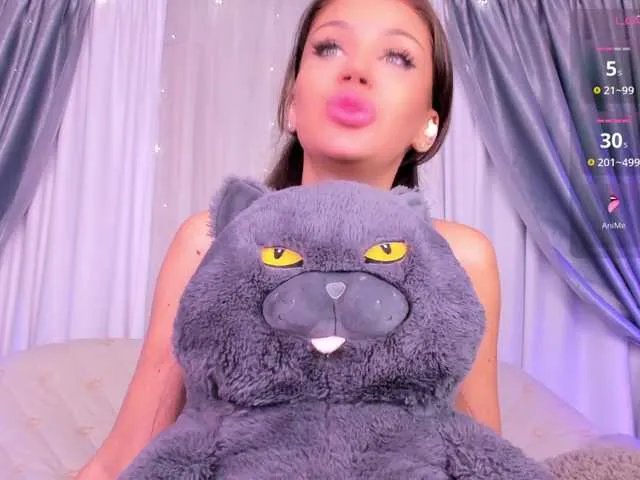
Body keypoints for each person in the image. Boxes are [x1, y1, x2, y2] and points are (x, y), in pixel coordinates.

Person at [77, 0, 502, 477]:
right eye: (330, 47)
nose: (356, 71)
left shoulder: (461, 259)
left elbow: (480, 449)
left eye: (397, 57)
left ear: (430, 125)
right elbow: (130, 449)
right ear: (292, 105)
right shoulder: (213, 242)